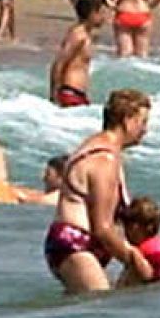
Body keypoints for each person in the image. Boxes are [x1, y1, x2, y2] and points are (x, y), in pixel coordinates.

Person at [45, 89, 154, 294]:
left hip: (84, 245)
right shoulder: (103, 160)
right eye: (143, 122)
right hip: (74, 245)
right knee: (100, 302)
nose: (145, 130)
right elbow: (102, 227)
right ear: (127, 120)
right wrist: (132, 259)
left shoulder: (106, 151)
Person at [51, 0, 107, 107]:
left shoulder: (86, 35)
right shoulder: (78, 35)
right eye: (101, 12)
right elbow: (59, 63)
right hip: (70, 93)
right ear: (92, 13)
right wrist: (54, 93)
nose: (104, 17)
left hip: (78, 94)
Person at [117, 196, 160, 288]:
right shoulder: (158, 252)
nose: (125, 232)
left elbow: (146, 276)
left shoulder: (136, 253)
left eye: (126, 226)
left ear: (135, 227)